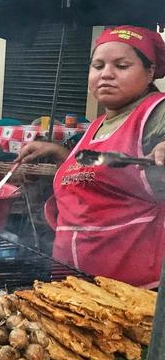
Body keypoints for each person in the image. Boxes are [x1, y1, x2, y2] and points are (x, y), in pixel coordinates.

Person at [18, 25, 165, 288]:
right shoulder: (99, 123)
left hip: (127, 289)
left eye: (121, 66)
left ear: (150, 71)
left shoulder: (156, 112)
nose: (106, 75)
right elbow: (96, 178)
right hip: (71, 277)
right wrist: (57, 152)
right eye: (98, 66)